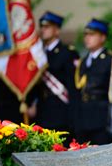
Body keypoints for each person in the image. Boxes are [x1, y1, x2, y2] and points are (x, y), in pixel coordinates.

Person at [28, 11, 79, 143]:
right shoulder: (38, 54)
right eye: (42, 27)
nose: (43, 30)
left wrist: (73, 118)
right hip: (42, 113)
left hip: (60, 113)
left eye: (47, 27)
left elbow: (72, 89)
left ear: (56, 30)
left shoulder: (67, 53)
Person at [74, 18, 112, 145]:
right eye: (86, 35)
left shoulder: (108, 60)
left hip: (100, 118)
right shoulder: (83, 61)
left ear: (102, 37)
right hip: (83, 117)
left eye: (92, 35)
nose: (87, 38)